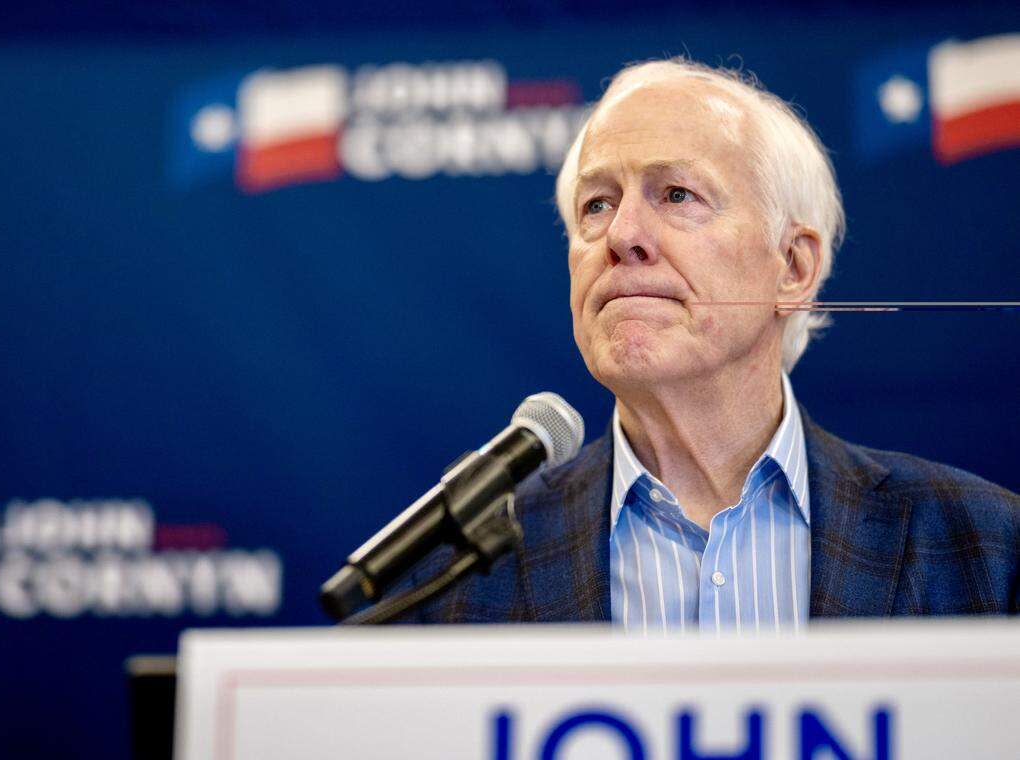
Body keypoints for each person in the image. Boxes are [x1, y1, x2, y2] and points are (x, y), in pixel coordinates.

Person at [411, 58, 1019, 629]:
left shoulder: (985, 547)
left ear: (793, 267)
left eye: (677, 195)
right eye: (597, 204)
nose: (623, 236)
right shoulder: (459, 569)